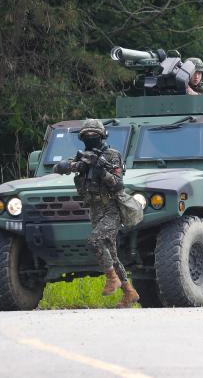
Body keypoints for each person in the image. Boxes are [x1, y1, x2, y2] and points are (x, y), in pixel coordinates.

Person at [53, 119, 139, 308]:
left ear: (102, 137)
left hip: (112, 209)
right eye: (87, 136)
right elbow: (58, 168)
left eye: (94, 136)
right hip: (95, 210)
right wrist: (73, 165)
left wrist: (102, 171)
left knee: (96, 241)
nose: (91, 139)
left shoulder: (112, 155)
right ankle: (129, 292)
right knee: (111, 254)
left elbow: (118, 184)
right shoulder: (83, 156)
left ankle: (112, 279)